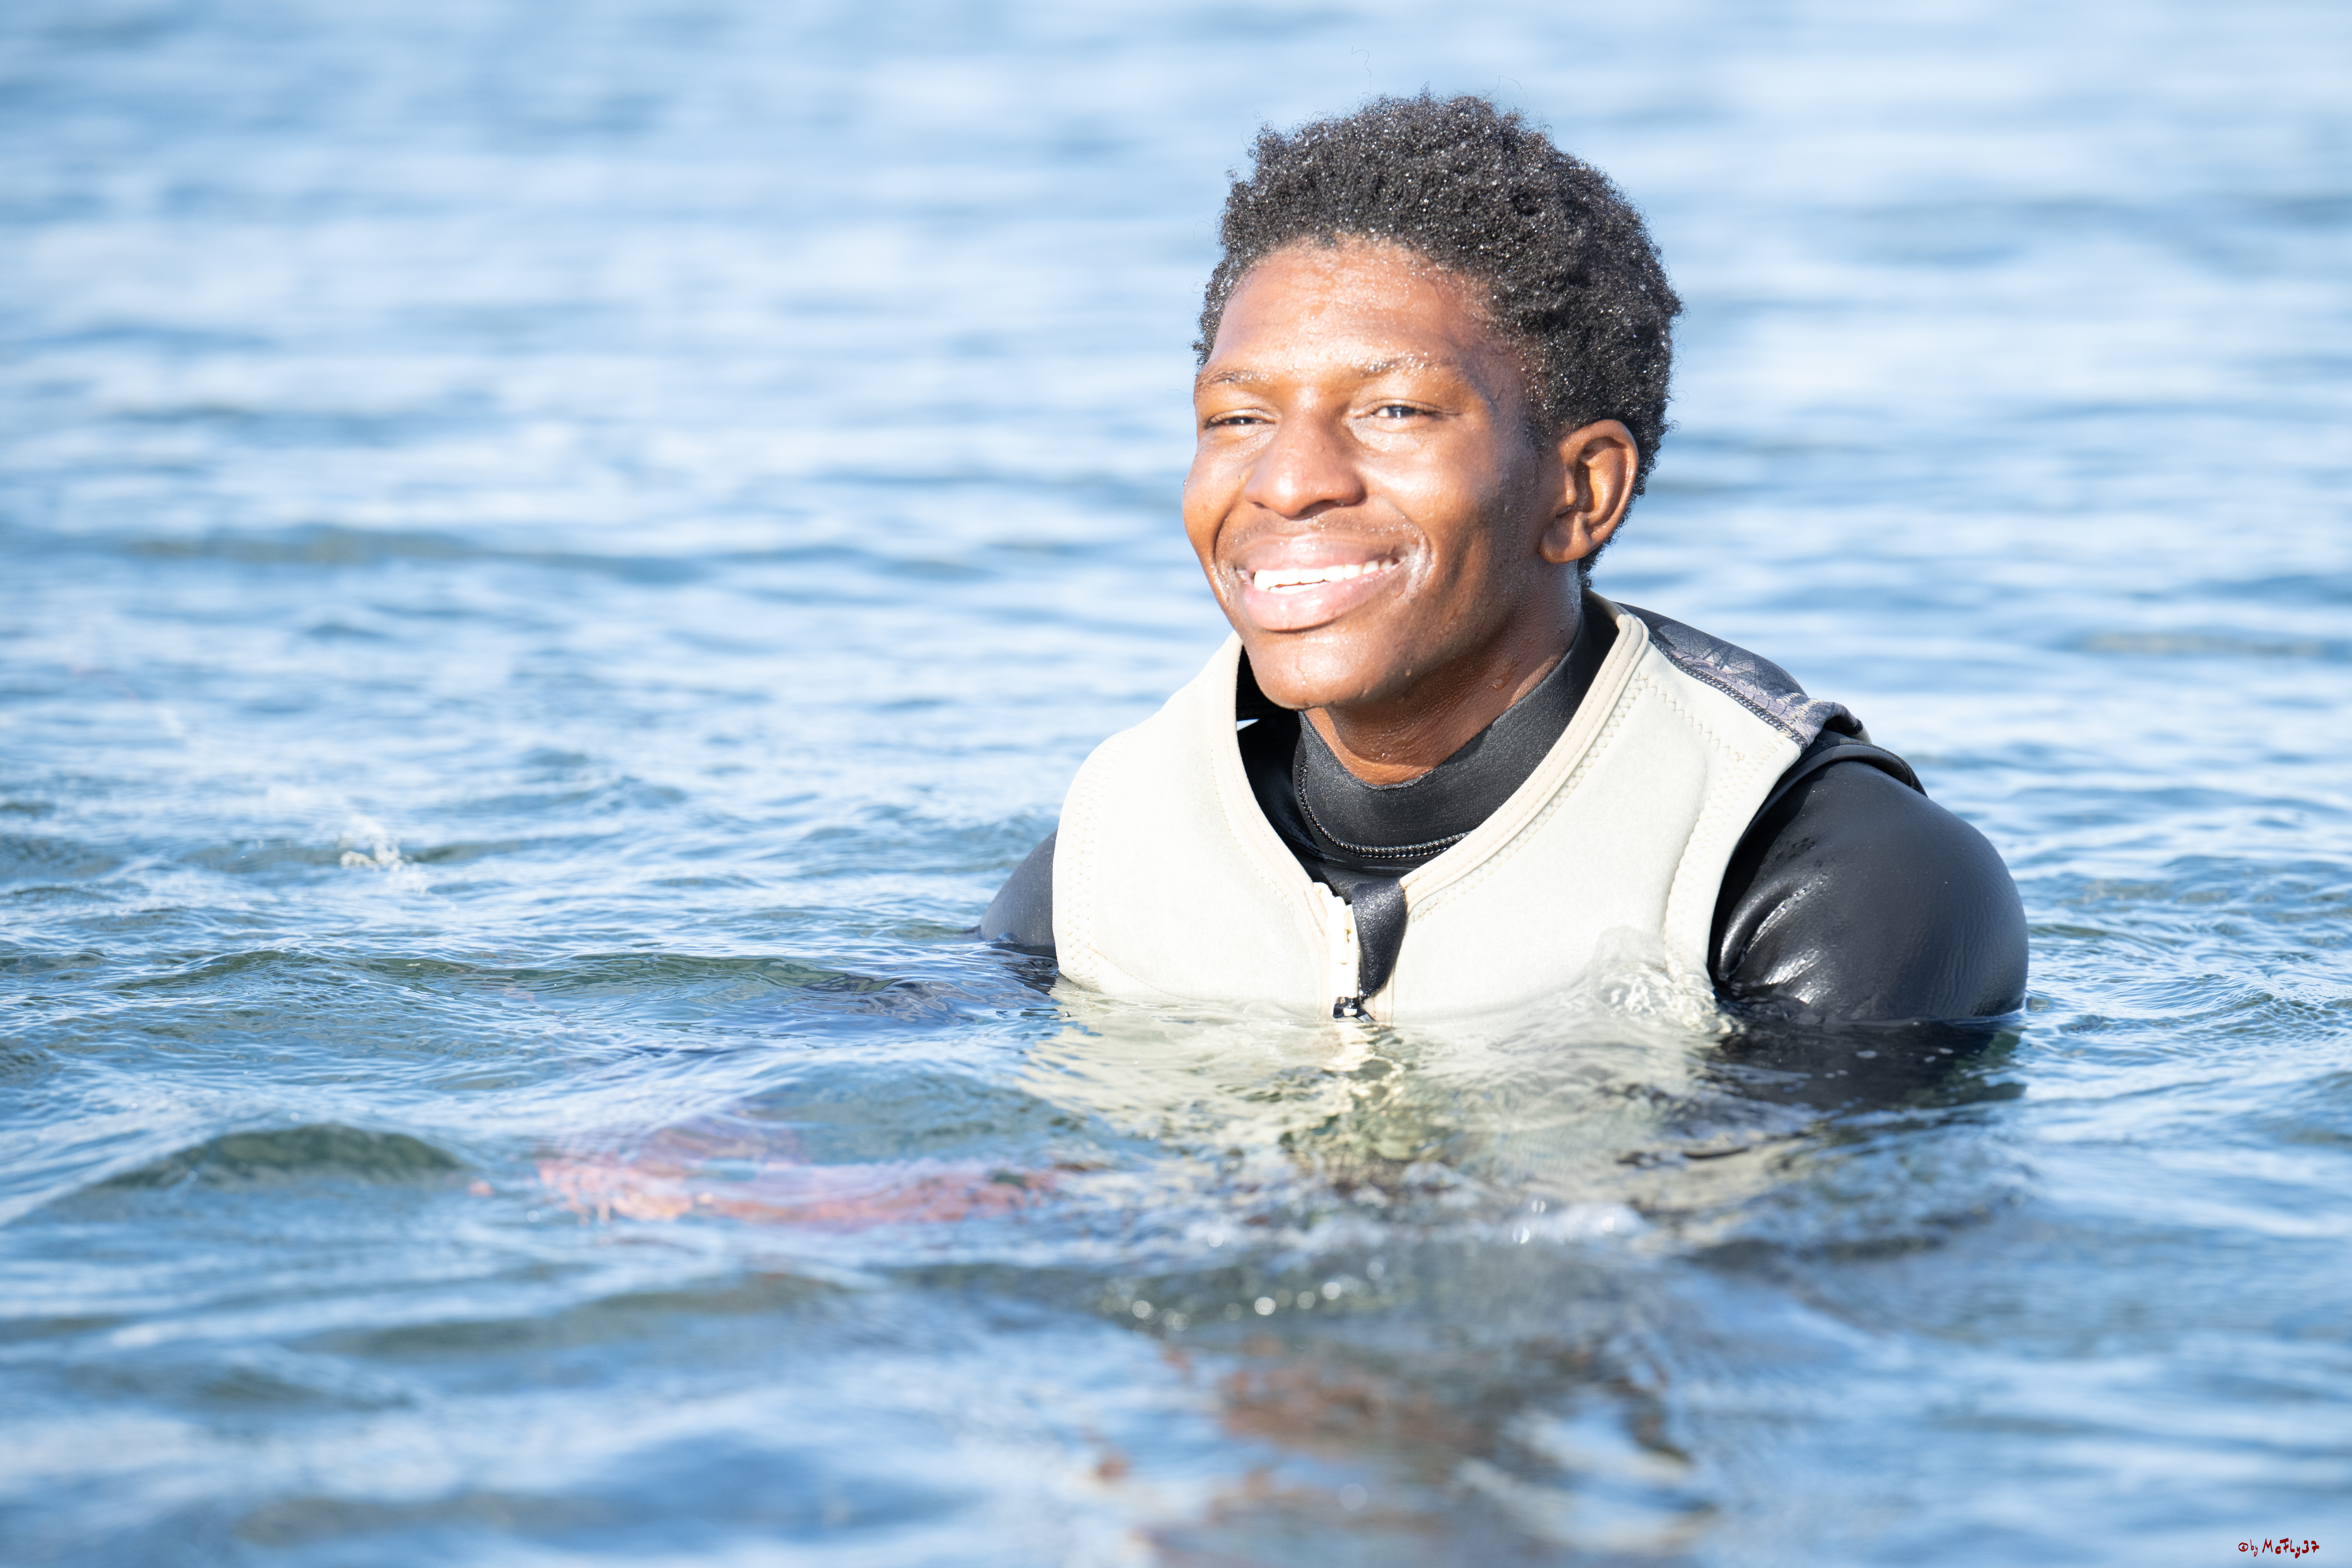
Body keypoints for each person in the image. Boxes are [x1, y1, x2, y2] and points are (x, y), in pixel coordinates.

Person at [982, 94, 2025, 1026]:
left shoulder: (1832, 880)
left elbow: (1758, 1239)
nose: (1288, 480)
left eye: (1393, 410)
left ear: (1580, 492)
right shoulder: (1104, 858)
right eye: (1238, 415)